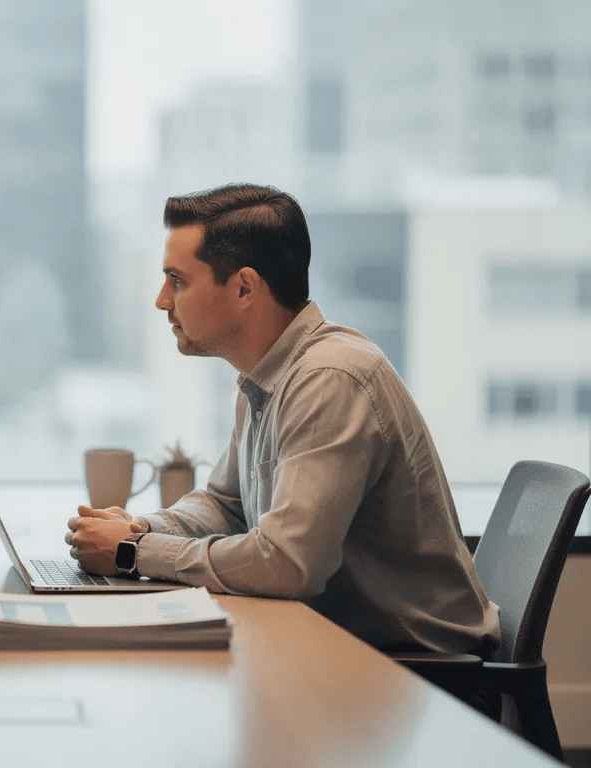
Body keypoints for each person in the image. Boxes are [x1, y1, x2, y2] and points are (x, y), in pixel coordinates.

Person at [63, 183, 499, 660]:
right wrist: (142, 527)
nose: (162, 300)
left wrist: (133, 552)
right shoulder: (264, 377)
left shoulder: (329, 381)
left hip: (425, 675)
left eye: (178, 280)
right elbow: (225, 507)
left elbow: (288, 563)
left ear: (245, 288)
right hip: (349, 651)